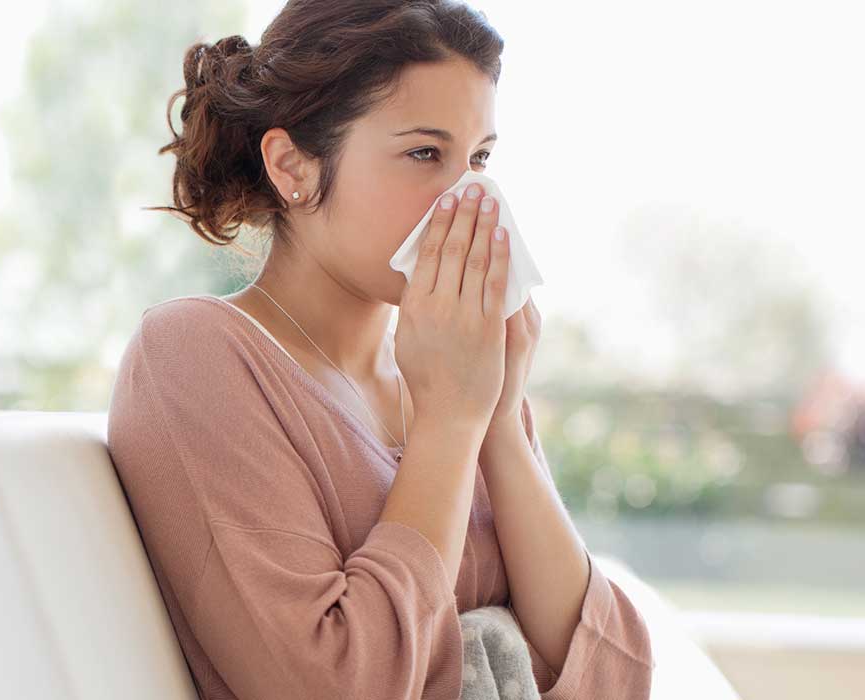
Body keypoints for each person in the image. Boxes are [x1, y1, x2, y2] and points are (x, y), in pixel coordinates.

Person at [106, 1, 655, 698]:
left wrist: (499, 420)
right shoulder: (195, 354)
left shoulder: (450, 371)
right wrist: (452, 422)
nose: (471, 198)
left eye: (480, 158)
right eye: (425, 153)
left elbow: (613, 678)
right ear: (292, 165)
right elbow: (333, 685)